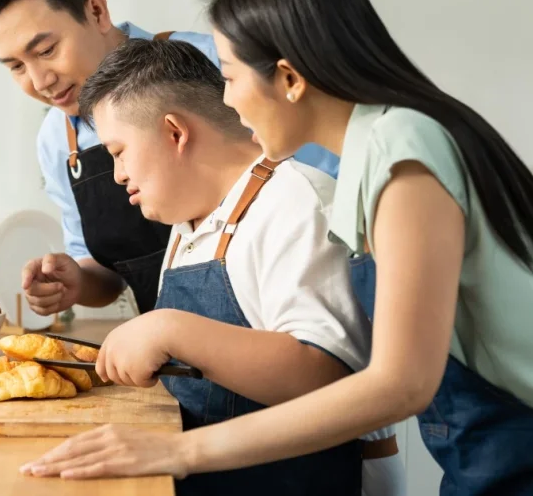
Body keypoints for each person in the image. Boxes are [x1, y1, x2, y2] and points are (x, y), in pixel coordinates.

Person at [19, 0, 533, 494]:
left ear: (289, 79)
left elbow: (400, 383)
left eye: (232, 77)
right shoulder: (377, 152)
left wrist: (180, 452)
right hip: (499, 463)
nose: (228, 101)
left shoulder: (405, 152)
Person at [71, 37, 405, 496]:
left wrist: (170, 328)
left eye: (118, 151)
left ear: (174, 132)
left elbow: (326, 378)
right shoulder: (191, 219)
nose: (118, 175)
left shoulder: (295, 203)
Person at [0, 0, 338, 318]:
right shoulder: (57, 140)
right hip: (165, 355)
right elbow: (109, 272)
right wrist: (75, 281)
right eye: (15, 67)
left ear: (96, 11)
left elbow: (321, 185)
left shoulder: (217, 65)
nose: (40, 80)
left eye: (46, 51)